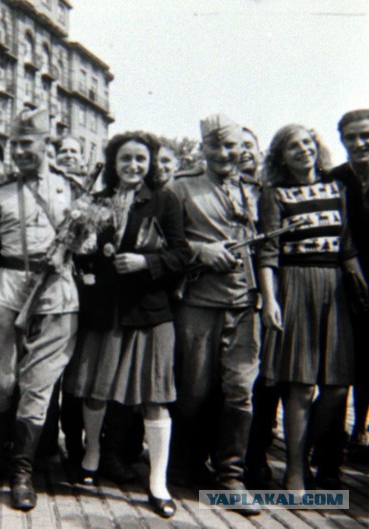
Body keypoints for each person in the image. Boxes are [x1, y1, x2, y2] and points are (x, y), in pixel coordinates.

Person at [64, 131, 190, 518]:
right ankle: (91, 455)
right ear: (113, 163)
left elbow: (182, 254)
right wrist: (84, 256)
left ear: (149, 164)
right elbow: (81, 252)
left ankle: (158, 483)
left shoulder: (165, 200)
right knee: (95, 390)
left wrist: (146, 263)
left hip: (149, 312)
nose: (133, 166)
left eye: (140, 159)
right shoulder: (97, 200)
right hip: (106, 310)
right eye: (125, 159)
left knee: (155, 397)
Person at [0, 108, 80, 511]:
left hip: (57, 296)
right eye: (14, 144)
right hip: (8, 292)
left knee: (38, 385)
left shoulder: (69, 187)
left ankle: (21, 471)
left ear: (46, 143)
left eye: (27, 143)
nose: (19, 151)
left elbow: (87, 238)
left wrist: (78, 243)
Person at [256, 124, 361, 492]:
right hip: (295, 286)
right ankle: (295, 473)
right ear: (281, 158)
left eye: (307, 142)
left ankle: (302, 454)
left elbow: (346, 246)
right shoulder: (274, 194)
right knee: (299, 388)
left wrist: (360, 281)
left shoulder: (337, 189)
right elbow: (267, 253)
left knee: (336, 387)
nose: (303, 150)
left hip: (334, 288)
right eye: (292, 147)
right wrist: (270, 300)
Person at [168, 114, 261, 516]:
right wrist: (200, 250)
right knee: (194, 390)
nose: (224, 153)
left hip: (244, 304)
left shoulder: (255, 190)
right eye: (215, 145)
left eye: (232, 145)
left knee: (240, 389)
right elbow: (161, 240)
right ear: (202, 147)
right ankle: (184, 465)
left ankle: (230, 478)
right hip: (199, 302)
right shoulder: (180, 187)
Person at [325, 109, 369, 472]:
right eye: (351, 137)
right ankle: (332, 445)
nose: (359, 143)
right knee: (341, 364)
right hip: (342, 283)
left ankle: (360, 430)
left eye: (366, 135)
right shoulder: (334, 179)